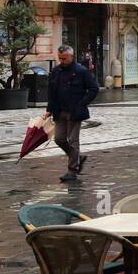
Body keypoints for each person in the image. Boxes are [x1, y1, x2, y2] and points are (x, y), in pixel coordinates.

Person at [46, 45, 99, 183]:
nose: (61, 61)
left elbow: (94, 89)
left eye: (64, 58)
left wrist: (82, 103)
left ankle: (72, 170)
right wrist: (49, 109)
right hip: (59, 111)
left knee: (73, 141)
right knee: (59, 139)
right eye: (59, 58)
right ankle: (77, 157)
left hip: (75, 112)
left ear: (71, 56)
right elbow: (51, 92)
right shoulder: (56, 71)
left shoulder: (81, 71)